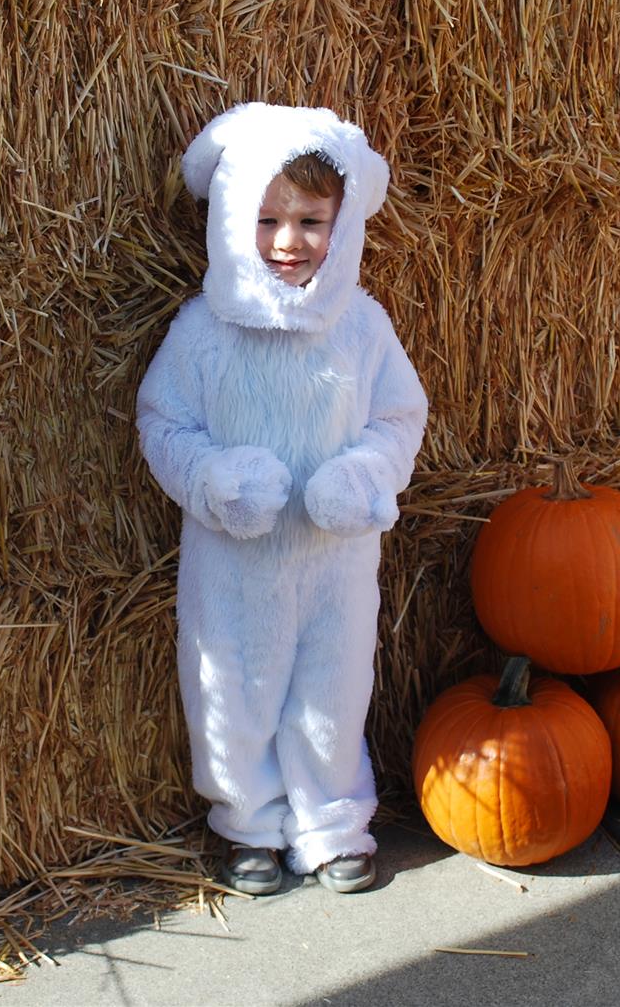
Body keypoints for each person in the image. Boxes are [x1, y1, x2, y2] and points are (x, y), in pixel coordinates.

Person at [136, 103, 427, 895]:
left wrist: (363, 476)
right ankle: (249, 822)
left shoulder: (362, 329)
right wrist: (213, 479)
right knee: (231, 689)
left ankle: (333, 821)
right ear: (232, 221)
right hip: (233, 568)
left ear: (342, 224)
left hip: (336, 562)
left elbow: (400, 417)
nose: (288, 241)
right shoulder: (202, 334)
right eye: (265, 219)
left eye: (310, 219)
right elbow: (163, 423)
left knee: (333, 689)